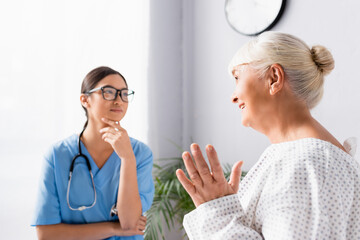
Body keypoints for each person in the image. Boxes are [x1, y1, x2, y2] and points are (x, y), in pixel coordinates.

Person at [176, 32, 360, 239]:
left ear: (274, 78)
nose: (233, 96)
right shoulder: (307, 159)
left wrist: (218, 214)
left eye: (238, 78)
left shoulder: (306, 163)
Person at [32, 66, 154, 240]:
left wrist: (127, 158)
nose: (119, 100)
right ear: (85, 100)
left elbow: (130, 224)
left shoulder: (139, 154)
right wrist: (114, 229)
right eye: (109, 92)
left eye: (124, 94)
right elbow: (46, 234)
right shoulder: (57, 155)